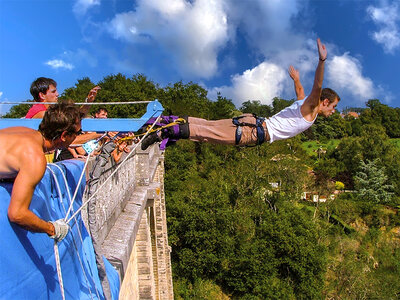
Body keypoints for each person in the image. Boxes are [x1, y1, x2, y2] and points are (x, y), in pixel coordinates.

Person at [141, 38, 339, 149]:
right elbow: (317, 85)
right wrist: (322, 62)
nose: (334, 111)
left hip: (253, 123)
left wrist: (295, 78)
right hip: (253, 131)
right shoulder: (311, 109)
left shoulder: (302, 104)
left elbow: (300, 90)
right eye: (333, 106)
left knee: (207, 126)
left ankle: (165, 123)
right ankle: (163, 130)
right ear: (324, 102)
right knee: (205, 133)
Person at [1, 101, 86, 242]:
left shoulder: (21, 131)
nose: (77, 137)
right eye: (77, 133)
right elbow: (17, 214)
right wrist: (52, 229)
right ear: (64, 135)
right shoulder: (35, 158)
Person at [26, 77, 101, 119]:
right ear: (42, 95)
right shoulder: (40, 113)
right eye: (53, 92)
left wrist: (89, 101)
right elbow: (73, 119)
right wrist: (99, 133)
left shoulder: (46, 110)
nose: (57, 94)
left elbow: (75, 116)